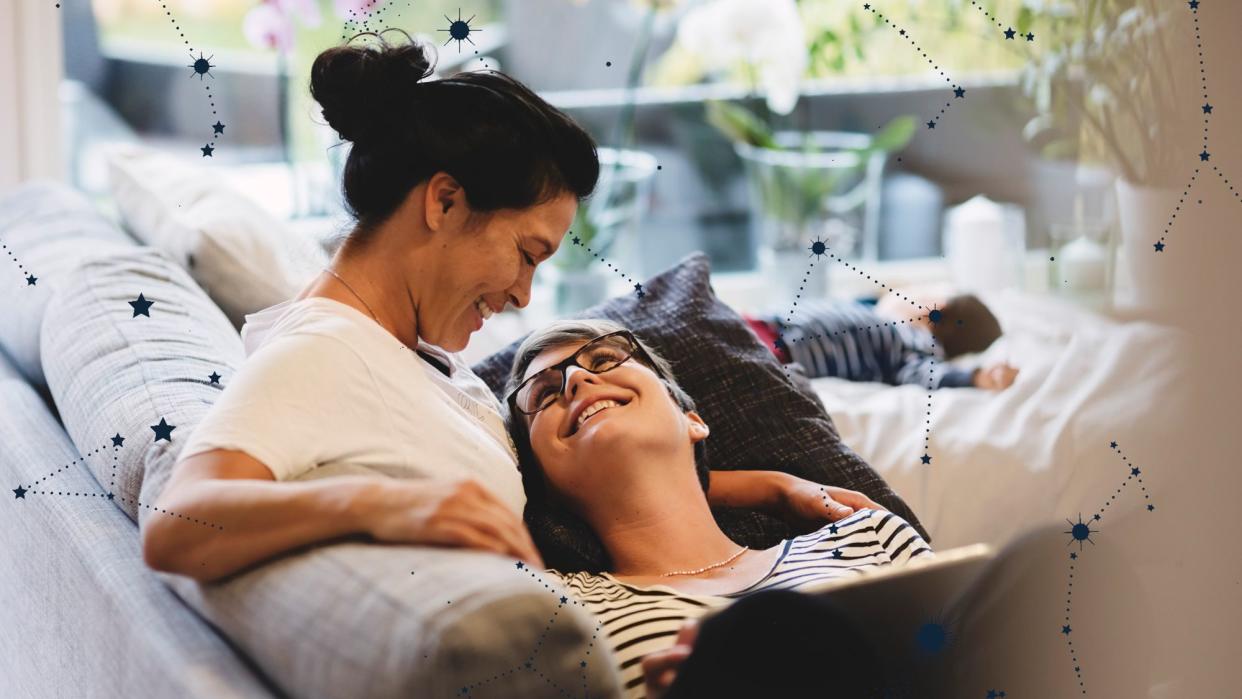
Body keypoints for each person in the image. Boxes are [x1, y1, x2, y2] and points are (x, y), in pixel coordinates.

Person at [141, 31, 866, 584]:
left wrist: (772, 485)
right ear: (445, 200)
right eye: (526, 253)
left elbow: (549, 484)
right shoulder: (323, 351)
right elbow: (177, 521)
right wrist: (394, 507)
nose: (523, 294)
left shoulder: (402, 351)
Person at [504, 319, 935, 699]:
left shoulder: (867, 535)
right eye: (543, 394)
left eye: (603, 360)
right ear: (544, 484)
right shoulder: (556, 613)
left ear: (693, 421)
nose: (576, 379)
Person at [744, 292, 1019, 391]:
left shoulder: (914, 344)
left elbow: (926, 375)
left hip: (773, 349)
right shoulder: (876, 316)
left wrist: (976, 377)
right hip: (763, 326)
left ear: (932, 307)